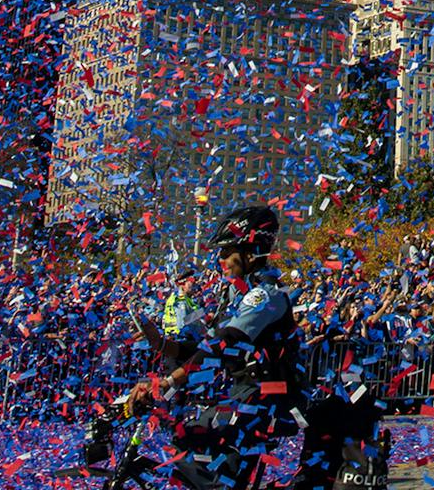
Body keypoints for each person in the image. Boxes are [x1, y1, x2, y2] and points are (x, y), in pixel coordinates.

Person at [121, 205, 305, 490]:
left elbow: (222, 344)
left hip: (266, 399)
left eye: (226, 252)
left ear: (250, 252)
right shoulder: (236, 294)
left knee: (205, 447)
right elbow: (204, 346)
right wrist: (162, 344)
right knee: (186, 441)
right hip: (243, 393)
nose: (221, 260)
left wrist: (168, 382)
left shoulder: (265, 295)